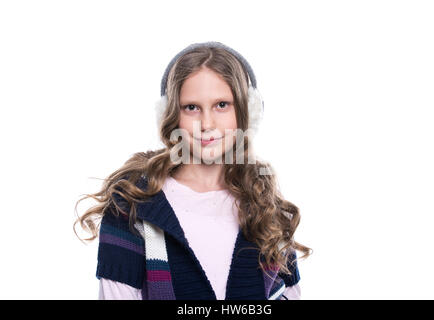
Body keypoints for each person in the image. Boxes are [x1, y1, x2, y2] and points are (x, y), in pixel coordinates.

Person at [74, 41, 312, 300]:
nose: (207, 124)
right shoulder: (131, 207)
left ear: (246, 111)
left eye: (222, 105)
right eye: (191, 107)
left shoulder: (267, 208)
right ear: (171, 115)